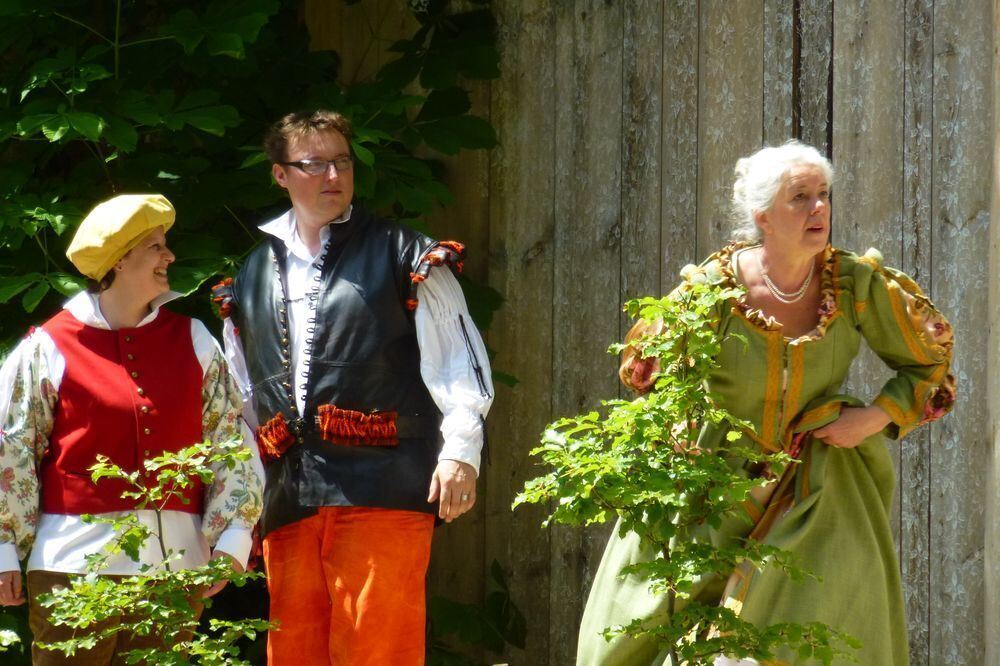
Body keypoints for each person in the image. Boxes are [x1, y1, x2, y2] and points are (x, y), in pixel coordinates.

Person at [576, 141, 955, 666]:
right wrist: (676, 427)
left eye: (823, 195)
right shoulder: (713, 288)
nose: (818, 208)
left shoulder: (854, 284)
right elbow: (644, 366)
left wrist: (872, 418)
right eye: (800, 197)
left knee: (816, 626)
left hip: (819, 481)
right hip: (711, 481)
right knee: (654, 617)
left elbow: (929, 363)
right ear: (763, 216)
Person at [211, 109, 493, 665]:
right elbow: (240, 400)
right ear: (280, 174)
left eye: (341, 161)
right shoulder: (249, 275)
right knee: (294, 651)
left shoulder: (403, 252)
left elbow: (460, 362)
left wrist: (461, 452)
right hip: (290, 494)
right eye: (314, 164)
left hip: (383, 482)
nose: (333, 176)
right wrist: (241, 506)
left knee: (377, 649)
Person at [0, 194, 264, 663]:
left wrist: (232, 541)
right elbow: (11, 449)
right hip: (71, 569)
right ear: (119, 259)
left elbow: (231, 442)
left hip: (174, 568)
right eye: (155, 247)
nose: (170, 257)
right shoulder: (48, 347)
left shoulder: (194, 339)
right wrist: (2, 551)